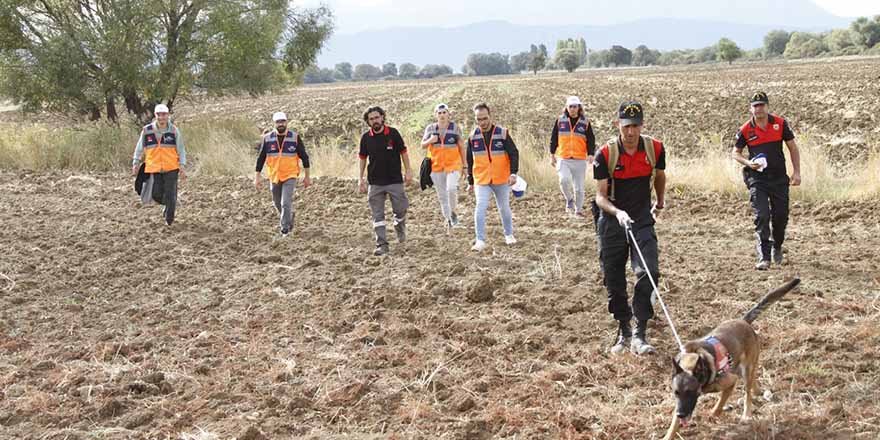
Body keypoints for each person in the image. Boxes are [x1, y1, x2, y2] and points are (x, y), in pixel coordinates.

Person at [593, 101, 666, 356]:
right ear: (618, 125)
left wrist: (660, 201)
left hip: (642, 220)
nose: (631, 132)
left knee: (649, 272)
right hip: (612, 221)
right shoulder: (606, 154)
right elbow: (600, 197)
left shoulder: (655, 149)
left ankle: (640, 333)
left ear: (642, 125)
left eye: (635, 126)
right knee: (613, 278)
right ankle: (624, 330)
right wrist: (617, 212)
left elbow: (659, 175)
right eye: (626, 127)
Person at [733, 91, 801, 270]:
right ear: (751, 109)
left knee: (780, 217)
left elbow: (793, 148)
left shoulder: (780, 124)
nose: (759, 109)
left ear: (767, 106)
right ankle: (764, 256)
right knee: (762, 216)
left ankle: (777, 246)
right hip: (758, 180)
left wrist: (797, 172)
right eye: (755, 106)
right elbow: (735, 153)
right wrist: (748, 162)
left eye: (762, 105)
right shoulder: (746, 129)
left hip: (779, 179)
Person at [358, 106, 414, 256]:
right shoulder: (365, 138)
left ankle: (399, 225)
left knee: (401, 209)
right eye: (371, 119)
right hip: (375, 183)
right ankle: (381, 244)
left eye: (377, 117)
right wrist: (361, 179)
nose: (375, 121)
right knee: (378, 215)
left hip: (394, 180)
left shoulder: (393, 133)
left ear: (382, 117)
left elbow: (403, 152)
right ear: (368, 122)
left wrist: (408, 171)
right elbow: (362, 159)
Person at [466, 103, 519, 251]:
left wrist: (513, 173)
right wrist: (470, 181)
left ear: (490, 116)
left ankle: (509, 235)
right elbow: (470, 160)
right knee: (480, 207)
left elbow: (514, 153)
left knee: (504, 208)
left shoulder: (502, 133)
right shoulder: (472, 137)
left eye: (484, 118)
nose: (482, 122)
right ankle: (480, 240)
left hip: (501, 178)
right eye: (479, 119)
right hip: (481, 179)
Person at [254, 112, 311, 237]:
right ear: (274, 123)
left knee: (286, 202)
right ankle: (289, 217)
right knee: (276, 202)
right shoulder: (267, 138)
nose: (281, 124)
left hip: (290, 175)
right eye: (278, 122)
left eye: (283, 121)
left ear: (286, 122)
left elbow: (305, 158)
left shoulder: (294, 137)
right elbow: (261, 158)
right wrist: (257, 178)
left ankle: (284, 230)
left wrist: (307, 177)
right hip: (274, 176)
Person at [131, 103, 186, 226]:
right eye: (159, 115)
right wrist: (135, 162)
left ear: (168, 115)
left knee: (171, 194)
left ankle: (169, 219)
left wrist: (182, 165)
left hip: (171, 167)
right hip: (154, 168)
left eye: (164, 114)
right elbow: (139, 148)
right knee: (156, 194)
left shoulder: (174, 130)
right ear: (155, 116)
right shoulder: (147, 131)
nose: (161, 117)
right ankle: (168, 204)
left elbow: (181, 149)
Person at [421, 103, 467, 228]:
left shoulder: (455, 128)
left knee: (451, 189)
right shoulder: (430, 128)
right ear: (435, 115)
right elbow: (423, 145)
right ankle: (448, 220)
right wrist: (430, 140)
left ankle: (453, 213)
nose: (442, 115)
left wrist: (465, 166)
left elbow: (462, 147)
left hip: (453, 165)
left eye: (444, 112)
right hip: (436, 167)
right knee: (442, 196)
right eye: (439, 113)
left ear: (449, 115)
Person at [550, 96, 596, 216]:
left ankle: (578, 210)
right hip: (563, 157)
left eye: (575, 106)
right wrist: (552, 154)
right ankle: (569, 199)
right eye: (570, 106)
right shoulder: (560, 121)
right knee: (564, 180)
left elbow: (591, 139)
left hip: (579, 159)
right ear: (567, 107)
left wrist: (591, 154)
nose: (572, 109)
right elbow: (554, 138)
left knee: (579, 188)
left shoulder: (585, 122)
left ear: (579, 107)